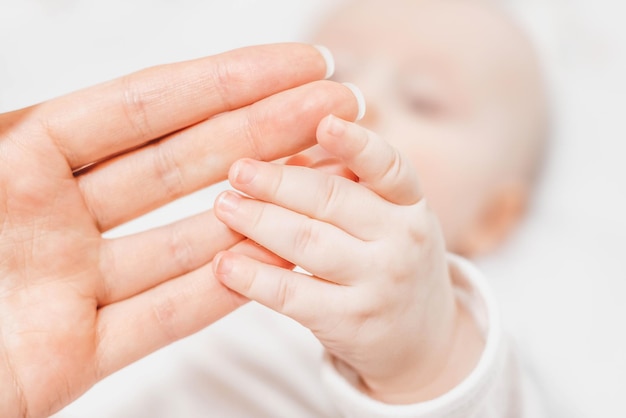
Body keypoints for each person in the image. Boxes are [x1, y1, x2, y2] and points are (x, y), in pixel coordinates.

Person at [57, 0, 548, 417]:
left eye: (424, 101)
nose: (358, 100)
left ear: (493, 218)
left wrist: (423, 359)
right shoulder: (189, 218)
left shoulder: (475, 334)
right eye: (337, 74)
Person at [0, 43, 360, 418]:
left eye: (422, 103)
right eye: (332, 81)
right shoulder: (152, 213)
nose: (334, 114)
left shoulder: (360, 314)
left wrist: (411, 375)